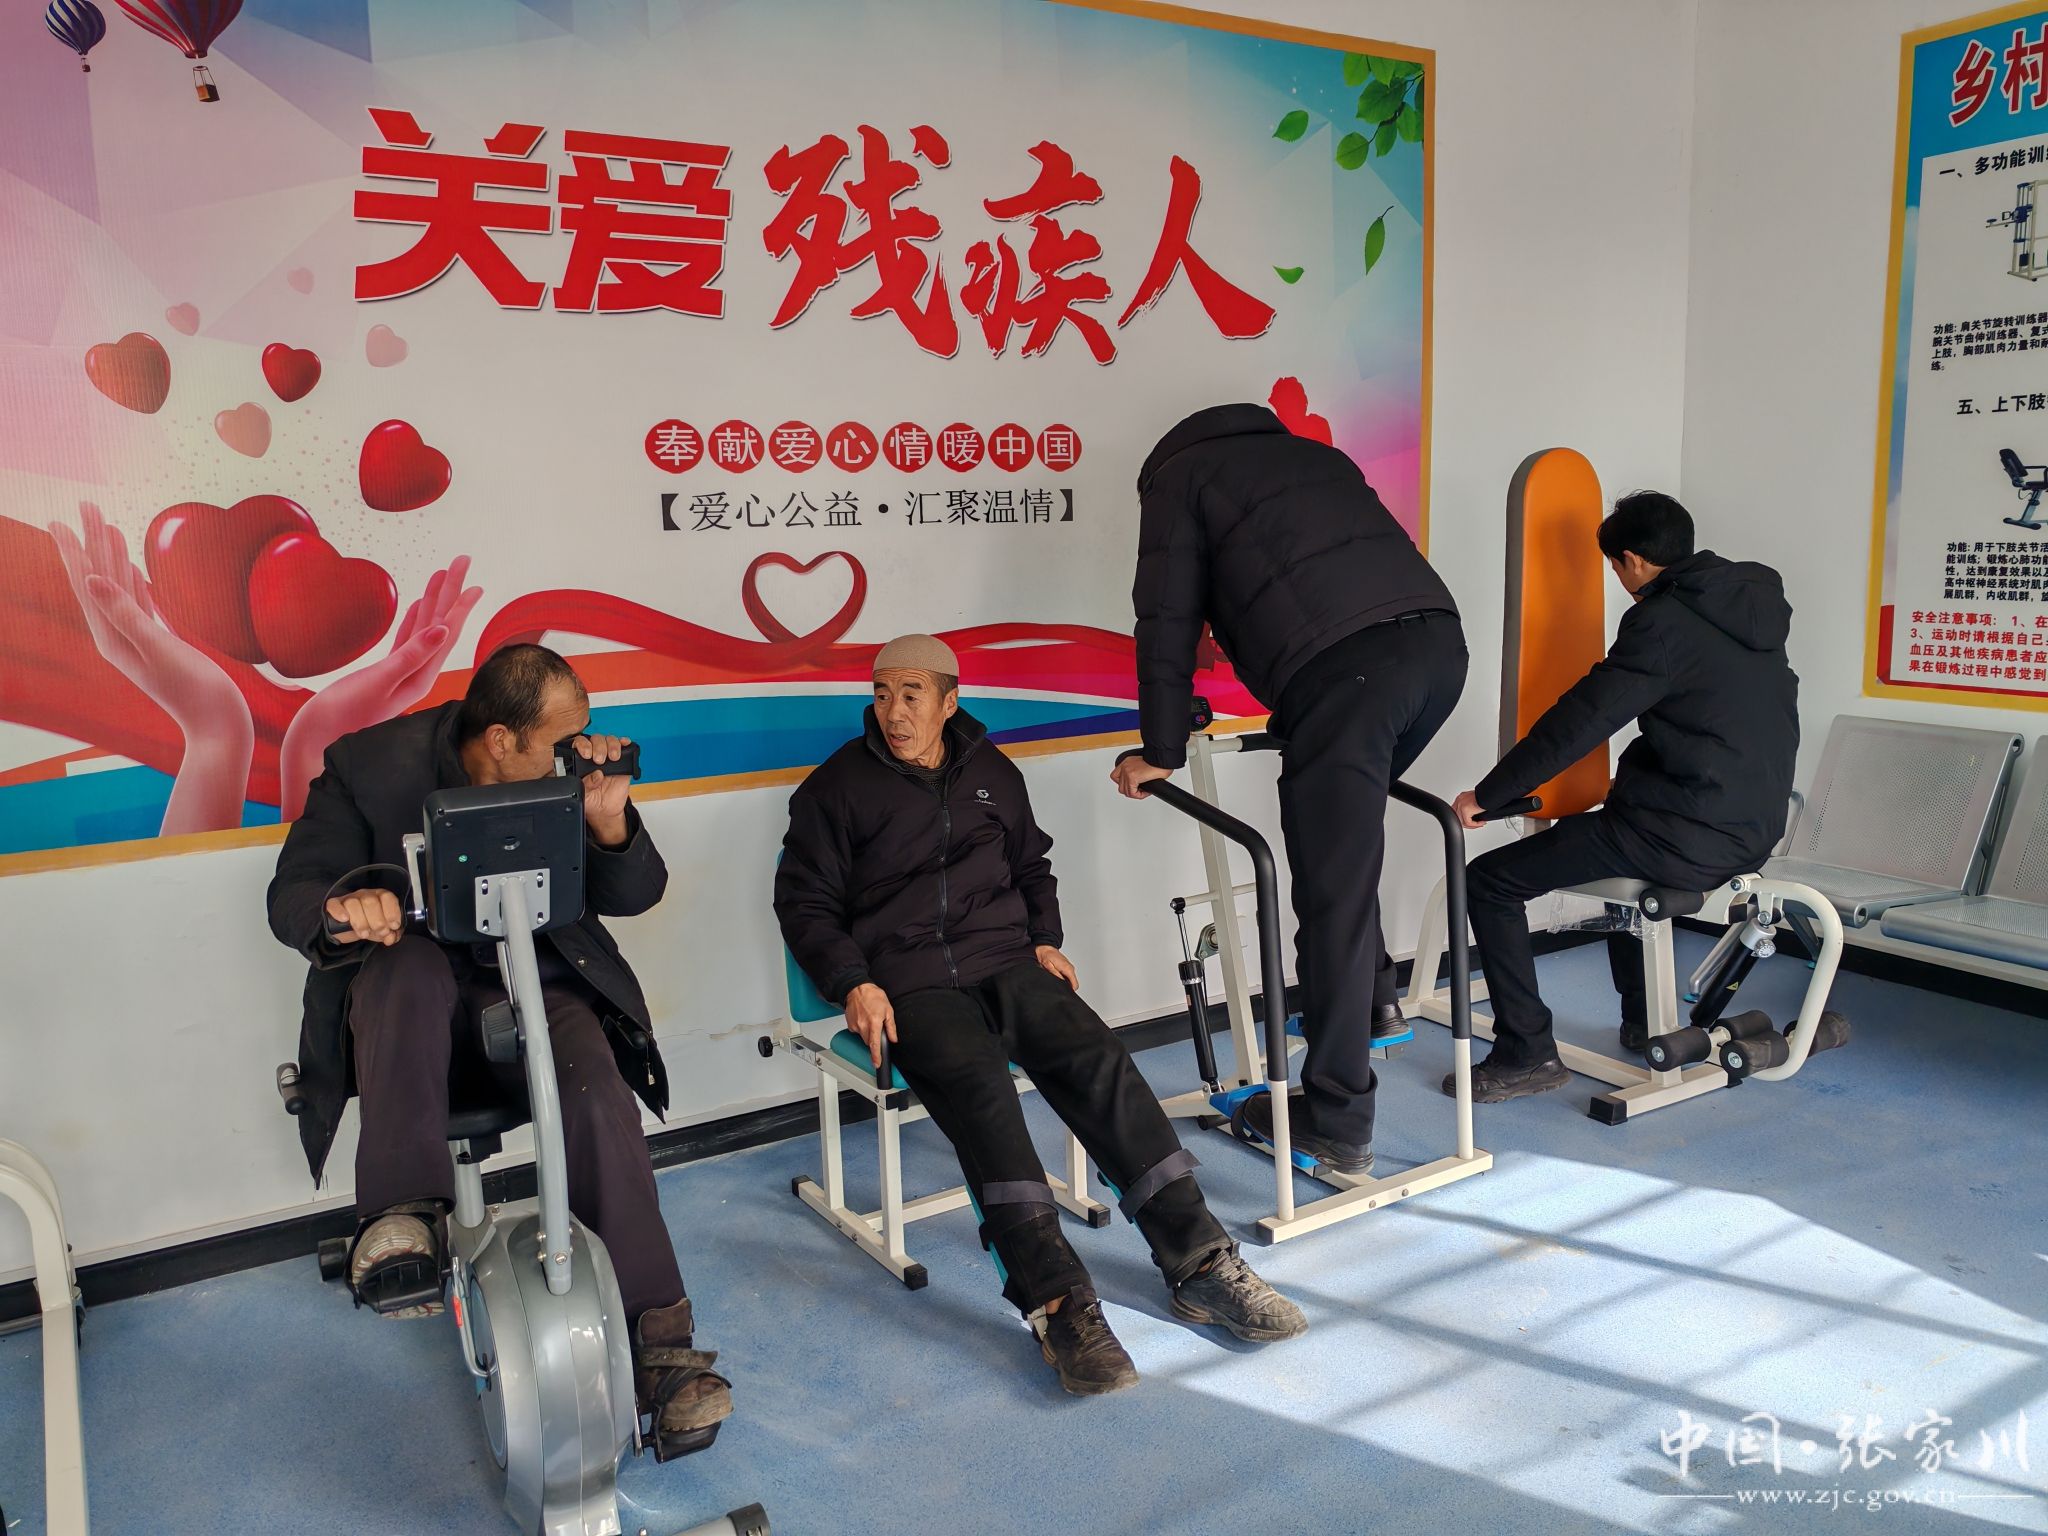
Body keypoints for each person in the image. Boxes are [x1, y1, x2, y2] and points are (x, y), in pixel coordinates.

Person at [775, 635, 1306, 1397]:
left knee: (1099, 1059)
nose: (893, 712)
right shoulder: (835, 789)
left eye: (911, 695)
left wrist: (1045, 939)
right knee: (982, 1094)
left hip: (1005, 961)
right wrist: (854, 981)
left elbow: (1031, 866)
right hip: (909, 983)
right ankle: (1059, 1304)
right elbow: (805, 903)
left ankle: (1200, 1261)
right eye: (883, 694)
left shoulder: (992, 772)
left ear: (949, 701)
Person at [266, 643, 731, 1455]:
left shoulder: (566, 778)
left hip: (530, 984)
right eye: (559, 740)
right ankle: (402, 1219)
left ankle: (659, 1349)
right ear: (501, 740)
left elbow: (636, 892)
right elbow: (291, 895)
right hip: (410, 1006)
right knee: (407, 970)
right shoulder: (367, 768)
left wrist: (607, 816)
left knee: (595, 1082)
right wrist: (347, 909)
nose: (575, 752)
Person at [1111, 403, 1466, 1177]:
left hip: (1348, 678)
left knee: (1329, 887)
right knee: (1343, 849)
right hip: (1439, 652)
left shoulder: (1180, 479)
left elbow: (1165, 621)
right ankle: (1373, 1000)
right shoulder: (1315, 456)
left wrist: (1160, 751)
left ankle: (1336, 1119)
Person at [1449, 491, 1799, 1102]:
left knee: (1487, 881)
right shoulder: (1749, 606)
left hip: (1685, 835)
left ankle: (1526, 1053)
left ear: (1632, 561)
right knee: (1614, 837)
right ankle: (1642, 1022)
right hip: (1755, 829)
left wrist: (1490, 793)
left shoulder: (1661, 623)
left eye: (1615, 566)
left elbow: (1581, 720)